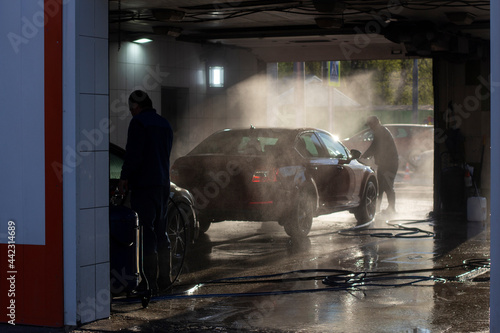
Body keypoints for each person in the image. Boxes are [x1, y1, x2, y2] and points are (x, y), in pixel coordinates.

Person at [118, 90, 173, 294]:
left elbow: (134, 154)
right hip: (163, 185)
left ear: (137, 107)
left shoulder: (139, 123)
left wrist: (124, 177)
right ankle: (165, 279)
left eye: (132, 109)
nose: (132, 113)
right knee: (161, 230)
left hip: (144, 185)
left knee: (146, 233)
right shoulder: (165, 124)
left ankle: (148, 282)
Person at [361, 116, 399, 215]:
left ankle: (392, 209)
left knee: (388, 186)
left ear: (375, 123)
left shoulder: (381, 132)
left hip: (390, 164)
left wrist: (363, 156)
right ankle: (376, 208)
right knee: (380, 187)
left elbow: (374, 147)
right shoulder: (380, 132)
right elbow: (375, 147)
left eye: (370, 125)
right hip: (384, 164)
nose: (370, 127)